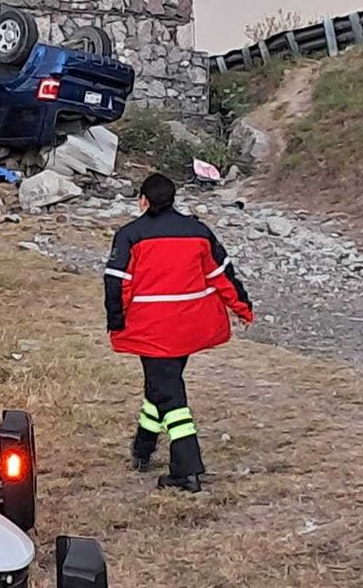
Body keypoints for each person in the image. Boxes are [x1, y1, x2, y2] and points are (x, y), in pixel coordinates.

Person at [103, 172, 253, 493]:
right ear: (173, 199)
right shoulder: (198, 232)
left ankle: (187, 469)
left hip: (151, 331)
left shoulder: (130, 235)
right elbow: (221, 276)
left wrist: (116, 321)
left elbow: (117, 283)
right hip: (187, 329)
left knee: (170, 395)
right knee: (160, 386)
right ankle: (142, 449)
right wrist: (242, 307)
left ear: (143, 201)